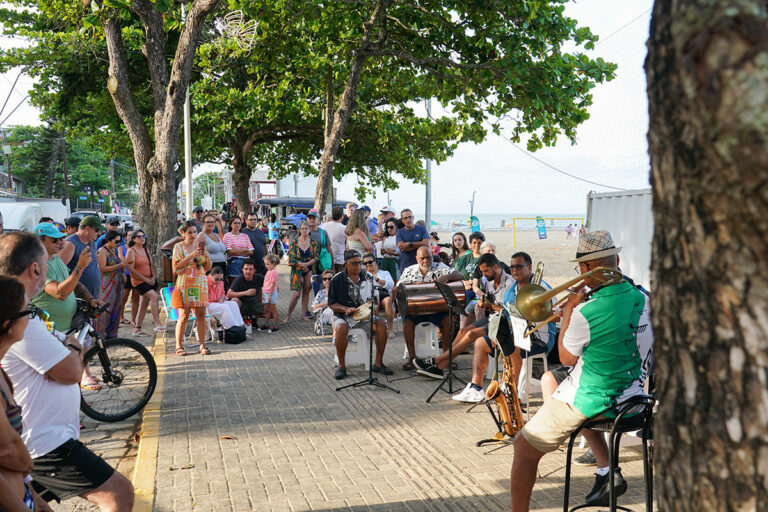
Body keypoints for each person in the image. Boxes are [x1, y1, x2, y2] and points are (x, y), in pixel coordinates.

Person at [509, 231, 653, 511]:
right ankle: (606, 471)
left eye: (581, 269)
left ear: (587, 269)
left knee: (523, 447)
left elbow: (565, 356)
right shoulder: (646, 300)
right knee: (554, 381)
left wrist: (567, 316)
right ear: (617, 261)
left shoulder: (586, 312)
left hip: (598, 400)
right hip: (635, 399)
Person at [0, 232, 134, 511]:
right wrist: (23, 463)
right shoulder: (23, 321)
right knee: (118, 492)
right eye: (47, 261)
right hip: (44, 447)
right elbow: (71, 371)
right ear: (35, 268)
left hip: (39, 447)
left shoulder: (24, 319)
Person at [423, 253, 515, 401]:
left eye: (486, 271)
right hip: (493, 318)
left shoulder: (509, 283)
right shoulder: (490, 281)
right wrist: (484, 302)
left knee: (471, 335)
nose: (483, 275)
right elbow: (490, 303)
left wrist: (489, 305)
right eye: (482, 272)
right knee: (463, 330)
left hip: (502, 323)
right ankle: (442, 364)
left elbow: (509, 312)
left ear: (496, 267)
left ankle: (437, 361)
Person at [0, 275, 51, 512]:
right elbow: (7, 449)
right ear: (7, 324)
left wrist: (35, 498)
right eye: (27, 312)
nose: (32, 319)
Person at [393, 247, 464, 370]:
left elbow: (461, 275)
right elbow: (399, 286)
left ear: (433, 257)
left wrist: (446, 277)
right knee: (407, 324)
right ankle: (413, 358)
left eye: (429, 257)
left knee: (450, 321)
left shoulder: (441, 266)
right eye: (422, 258)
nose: (426, 261)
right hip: (416, 310)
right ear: (416, 258)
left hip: (437, 310)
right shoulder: (409, 270)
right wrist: (395, 290)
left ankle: (446, 357)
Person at [328, 250, 392, 380]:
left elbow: (377, 299)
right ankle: (342, 366)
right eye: (355, 264)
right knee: (340, 328)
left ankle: (378, 364)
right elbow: (331, 304)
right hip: (343, 316)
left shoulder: (368, 277)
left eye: (360, 263)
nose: (358, 266)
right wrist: (346, 308)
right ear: (346, 264)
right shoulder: (337, 279)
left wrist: (372, 308)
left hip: (365, 316)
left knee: (380, 326)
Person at [501, 251, 557, 381]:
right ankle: (477, 387)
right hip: (518, 335)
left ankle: (514, 393)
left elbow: (557, 316)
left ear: (530, 267)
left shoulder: (542, 289)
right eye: (512, 267)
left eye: (519, 266)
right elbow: (507, 315)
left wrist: (537, 314)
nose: (514, 270)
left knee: (513, 350)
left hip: (540, 338)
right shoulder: (510, 291)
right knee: (484, 342)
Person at [171, 221, 212, 356]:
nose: (193, 235)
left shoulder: (200, 247)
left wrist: (206, 255)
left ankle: (202, 345)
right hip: (185, 284)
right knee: (183, 316)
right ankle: (178, 345)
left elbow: (208, 267)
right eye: (190, 232)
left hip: (200, 283)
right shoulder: (179, 247)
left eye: (195, 232)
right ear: (183, 233)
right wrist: (191, 256)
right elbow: (176, 268)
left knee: (201, 314)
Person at [125, 230, 164, 336]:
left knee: (144, 304)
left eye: (143, 236)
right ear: (133, 239)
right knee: (154, 297)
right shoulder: (131, 251)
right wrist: (145, 279)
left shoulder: (146, 250)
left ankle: (137, 328)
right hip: (139, 281)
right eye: (139, 236)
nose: (142, 238)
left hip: (150, 280)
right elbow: (131, 269)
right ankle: (157, 323)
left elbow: (151, 265)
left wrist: (153, 277)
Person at [59, 215, 104, 300]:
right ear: (87, 228)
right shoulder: (70, 244)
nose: (99, 233)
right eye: (97, 230)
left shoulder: (91, 243)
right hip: (78, 298)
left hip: (92, 295)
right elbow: (59, 271)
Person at [94, 231, 128, 340]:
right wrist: (119, 265)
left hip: (116, 284)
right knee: (105, 309)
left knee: (116, 309)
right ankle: (100, 335)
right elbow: (102, 268)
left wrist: (122, 272)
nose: (118, 243)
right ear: (109, 240)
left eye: (120, 241)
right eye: (116, 241)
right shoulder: (102, 251)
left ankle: (112, 334)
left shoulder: (113, 250)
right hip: (107, 285)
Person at [284, 221, 318, 323]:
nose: (304, 230)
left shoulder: (313, 242)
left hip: (309, 269)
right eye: (302, 228)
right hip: (297, 270)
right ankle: (288, 315)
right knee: (296, 294)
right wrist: (302, 265)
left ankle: (304, 315)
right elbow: (291, 257)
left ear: (309, 230)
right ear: (299, 230)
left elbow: (316, 257)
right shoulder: (294, 241)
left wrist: (307, 265)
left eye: (306, 229)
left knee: (306, 291)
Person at [362, 256, 396, 337]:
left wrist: (377, 279)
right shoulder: (363, 275)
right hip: (370, 293)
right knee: (374, 303)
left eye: (370, 262)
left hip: (382, 292)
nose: (368, 264)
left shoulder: (384, 273)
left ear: (375, 262)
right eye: (365, 263)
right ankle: (376, 329)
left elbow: (391, 284)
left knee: (388, 301)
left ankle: (390, 330)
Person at [226, 259, 265, 326]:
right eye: (246, 269)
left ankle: (254, 318)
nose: (248, 271)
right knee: (234, 300)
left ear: (254, 270)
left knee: (271, 311)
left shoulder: (260, 278)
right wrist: (245, 293)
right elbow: (229, 294)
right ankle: (237, 323)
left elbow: (273, 285)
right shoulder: (239, 279)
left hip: (255, 304)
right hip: (242, 304)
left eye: (250, 269)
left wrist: (270, 294)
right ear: (242, 270)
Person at [206, 267, 244, 333]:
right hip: (207, 304)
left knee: (233, 304)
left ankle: (239, 326)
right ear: (211, 276)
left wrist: (222, 297)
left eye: (220, 279)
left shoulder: (221, 282)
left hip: (217, 302)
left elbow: (223, 293)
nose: (218, 281)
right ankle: (232, 329)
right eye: (216, 279)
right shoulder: (205, 282)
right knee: (225, 307)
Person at [395, 208, 429, 274]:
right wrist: (420, 245)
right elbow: (401, 248)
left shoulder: (421, 229)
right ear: (402, 220)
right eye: (405, 218)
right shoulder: (399, 232)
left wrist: (409, 244)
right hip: (406, 266)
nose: (408, 219)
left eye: (410, 217)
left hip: (421, 265)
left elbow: (427, 244)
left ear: (413, 218)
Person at [307, 209, 333, 292]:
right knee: (308, 289)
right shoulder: (303, 232)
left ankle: (321, 304)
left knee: (322, 288)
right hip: (308, 266)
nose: (311, 220)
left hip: (321, 265)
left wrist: (333, 266)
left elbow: (329, 250)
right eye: (309, 218)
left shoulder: (323, 233)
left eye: (314, 218)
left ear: (318, 219)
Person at [223, 215, 254, 283]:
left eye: (239, 223)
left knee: (245, 286)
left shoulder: (245, 236)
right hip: (234, 263)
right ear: (231, 224)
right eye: (235, 223)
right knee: (234, 286)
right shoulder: (227, 236)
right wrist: (244, 249)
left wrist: (236, 251)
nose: (237, 225)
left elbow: (251, 251)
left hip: (246, 264)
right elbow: (230, 252)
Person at [197, 213, 227, 278]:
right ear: (203, 224)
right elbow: (199, 252)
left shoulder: (216, 235)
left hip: (222, 266)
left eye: (212, 222)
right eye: (208, 222)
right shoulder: (202, 236)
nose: (211, 224)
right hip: (211, 267)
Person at [320, 206, 347, 273]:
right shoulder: (344, 228)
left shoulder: (324, 226)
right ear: (342, 216)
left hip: (326, 259)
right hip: (339, 260)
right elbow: (347, 245)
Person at [311, 270, 334, 335]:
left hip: (338, 311)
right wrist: (327, 303)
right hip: (325, 313)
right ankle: (336, 334)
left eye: (330, 279)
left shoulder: (338, 292)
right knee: (333, 312)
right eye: (325, 279)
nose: (327, 280)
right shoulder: (320, 293)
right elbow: (314, 307)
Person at [261, 254, 280, 332]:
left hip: (270, 293)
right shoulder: (270, 271)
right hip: (267, 293)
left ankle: (276, 326)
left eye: (268, 264)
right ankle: (266, 324)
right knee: (267, 310)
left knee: (273, 310)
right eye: (265, 264)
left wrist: (270, 296)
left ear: (273, 264)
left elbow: (273, 284)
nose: (266, 265)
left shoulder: (273, 272)